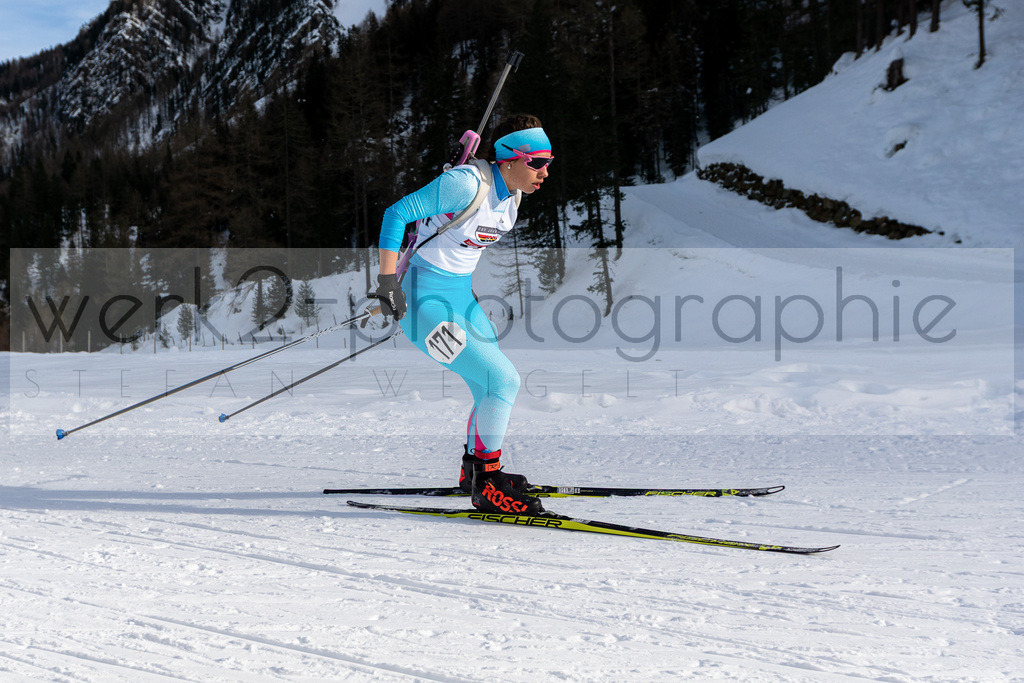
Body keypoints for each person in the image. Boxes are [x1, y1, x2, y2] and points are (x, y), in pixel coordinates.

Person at [372, 114, 554, 516]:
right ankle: (489, 483)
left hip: (460, 298)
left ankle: (475, 472)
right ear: (509, 159)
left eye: (549, 162)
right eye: (536, 162)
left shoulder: (512, 196)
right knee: (503, 380)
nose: (544, 172)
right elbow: (395, 214)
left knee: (487, 386)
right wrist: (388, 283)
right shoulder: (466, 183)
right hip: (423, 302)